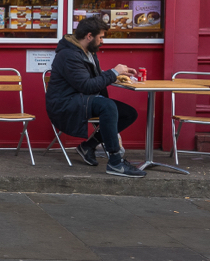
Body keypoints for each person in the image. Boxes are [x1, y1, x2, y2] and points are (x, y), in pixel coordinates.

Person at [46, 16, 145, 178]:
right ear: (89, 36)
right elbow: (86, 85)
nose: (102, 41)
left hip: (81, 99)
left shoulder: (87, 52)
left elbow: (91, 80)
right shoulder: (68, 55)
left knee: (129, 113)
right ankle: (115, 162)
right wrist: (113, 72)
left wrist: (117, 75)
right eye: (101, 37)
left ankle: (88, 146)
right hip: (66, 103)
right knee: (108, 106)